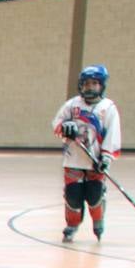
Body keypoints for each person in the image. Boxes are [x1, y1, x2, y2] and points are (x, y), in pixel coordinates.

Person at [52, 65, 121, 243]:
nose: (90, 87)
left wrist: (106, 157)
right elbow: (57, 124)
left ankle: (98, 219)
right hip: (73, 159)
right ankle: (72, 224)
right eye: (86, 84)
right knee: (73, 196)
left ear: (102, 85)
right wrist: (64, 128)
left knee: (94, 195)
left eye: (95, 83)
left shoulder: (108, 108)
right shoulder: (72, 105)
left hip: (95, 162)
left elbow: (112, 134)